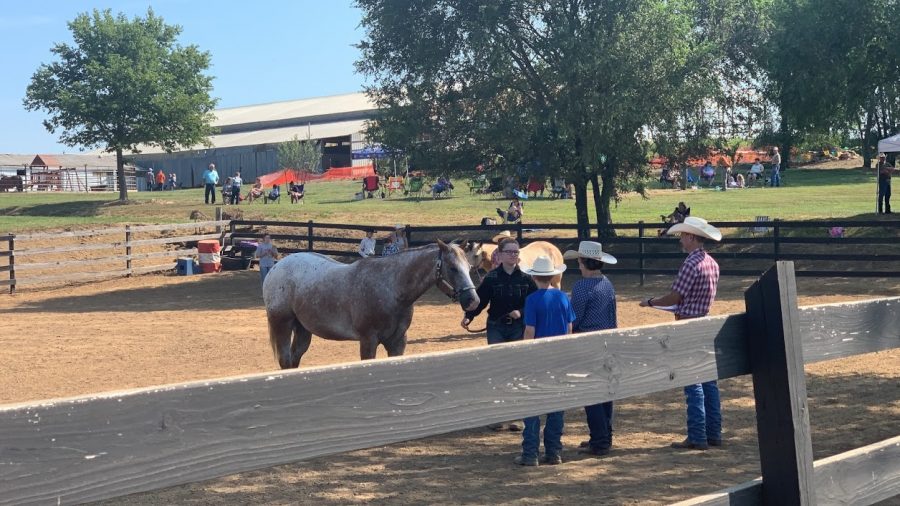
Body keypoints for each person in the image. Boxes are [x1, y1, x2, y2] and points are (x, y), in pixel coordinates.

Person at [639, 216, 722, 451]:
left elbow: (675, 297)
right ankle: (714, 432)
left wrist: (651, 302)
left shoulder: (690, 264)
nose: (681, 239)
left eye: (683, 235)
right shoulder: (712, 263)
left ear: (691, 237)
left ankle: (697, 434)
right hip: (704, 322)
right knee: (708, 380)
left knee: (691, 381)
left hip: (687, 324)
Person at [461, 237, 537, 431]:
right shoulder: (491, 278)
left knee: (516, 370)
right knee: (497, 369)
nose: (513, 255)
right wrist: (469, 316)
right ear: (500, 255)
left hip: (517, 328)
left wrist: (521, 312)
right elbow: (481, 300)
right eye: (510, 252)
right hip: (496, 326)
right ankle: (498, 415)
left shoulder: (527, 279)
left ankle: (516, 416)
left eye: (516, 252)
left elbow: (534, 303)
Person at [515, 255, 575, 466]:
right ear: (552, 276)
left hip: (537, 358)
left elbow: (530, 330)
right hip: (559, 358)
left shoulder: (531, 300)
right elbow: (569, 328)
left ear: (535, 278)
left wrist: (524, 352)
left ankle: (530, 453)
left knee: (532, 407)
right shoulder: (563, 297)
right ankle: (554, 451)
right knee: (556, 407)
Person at [562, 241, 618, 457]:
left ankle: (600, 440)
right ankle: (604, 435)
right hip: (608, 340)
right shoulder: (606, 283)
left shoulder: (581, 286)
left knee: (591, 393)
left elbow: (575, 319)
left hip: (588, 341)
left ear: (582, 261)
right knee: (605, 390)